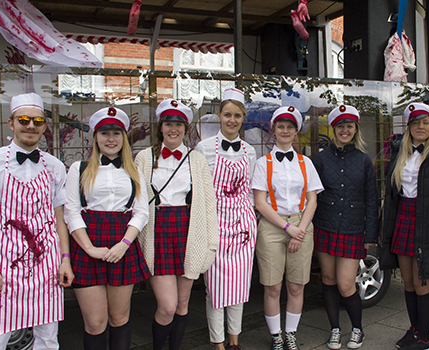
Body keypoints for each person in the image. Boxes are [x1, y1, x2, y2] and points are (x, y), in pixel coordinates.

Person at [0, 93, 74, 349]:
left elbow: (60, 218)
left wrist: (65, 260)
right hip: (2, 267)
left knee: (48, 339)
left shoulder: (55, 166)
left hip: (46, 267)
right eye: (24, 120)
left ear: (44, 126)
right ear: (11, 123)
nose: (31, 126)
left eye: (37, 121)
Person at [64, 107, 151, 350]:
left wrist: (124, 244)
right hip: (87, 243)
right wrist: (90, 248)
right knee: (95, 323)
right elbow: (71, 211)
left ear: (124, 138)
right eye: (104, 133)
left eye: (116, 133)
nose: (110, 139)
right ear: (95, 138)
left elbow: (141, 211)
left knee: (119, 319)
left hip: (122, 244)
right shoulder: (78, 169)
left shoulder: (134, 172)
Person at [135, 100, 219, 350]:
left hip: (187, 230)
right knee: (168, 306)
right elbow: (137, 198)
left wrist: (211, 242)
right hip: (157, 230)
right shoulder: (144, 157)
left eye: (179, 124)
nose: (174, 129)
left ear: (186, 128)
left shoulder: (197, 159)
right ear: (161, 127)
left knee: (182, 304)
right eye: (169, 124)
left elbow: (208, 203)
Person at [380, 103, 429, 350]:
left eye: (425, 122)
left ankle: (424, 338)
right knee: (409, 282)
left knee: (423, 283)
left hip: (428, 224)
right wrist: (384, 230)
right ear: (409, 127)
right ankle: (415, 330)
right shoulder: (398, 153)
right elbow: (391, 197)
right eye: (415, 123)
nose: (420, 127)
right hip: (404, 218)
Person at [252, 106, 323, 350]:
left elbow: (313, 200)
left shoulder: (306, 163)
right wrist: (287, 228)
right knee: (273, 286)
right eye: (281, 126)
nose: (285, 130)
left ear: (296, 132)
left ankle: (290, 333)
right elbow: (260, 202)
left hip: (301, 222)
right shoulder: (263, 163)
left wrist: (299, 229)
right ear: (273, 130)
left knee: (296, 284)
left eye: (290, 127)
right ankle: (276, 336)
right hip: (273, 225)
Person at [195, 88, 257, 350]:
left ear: (243, 118)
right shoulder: (203, 148)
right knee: (216, 289)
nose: (232, 120)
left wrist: (250, 222)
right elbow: (199, 191)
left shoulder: (250, 151)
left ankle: (235, 340)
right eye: (227, 115)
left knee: (240, 289)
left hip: (243, 226)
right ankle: (218, 342)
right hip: (215, 225)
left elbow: (251, 193)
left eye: (237, 116)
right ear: (219, 116)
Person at [311, 105, 378, 349]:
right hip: (325, 226)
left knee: (346, 284)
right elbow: (312, 197)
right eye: (340, 126)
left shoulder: (363, 161)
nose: (345, 130)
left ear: (355, 129)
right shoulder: (319, 159)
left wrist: (370, 233)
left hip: (352, 230)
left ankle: (358, 329)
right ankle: (335, 330)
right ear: (334, 128)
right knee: (328, 279)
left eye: (349, 126)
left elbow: (372, 199)